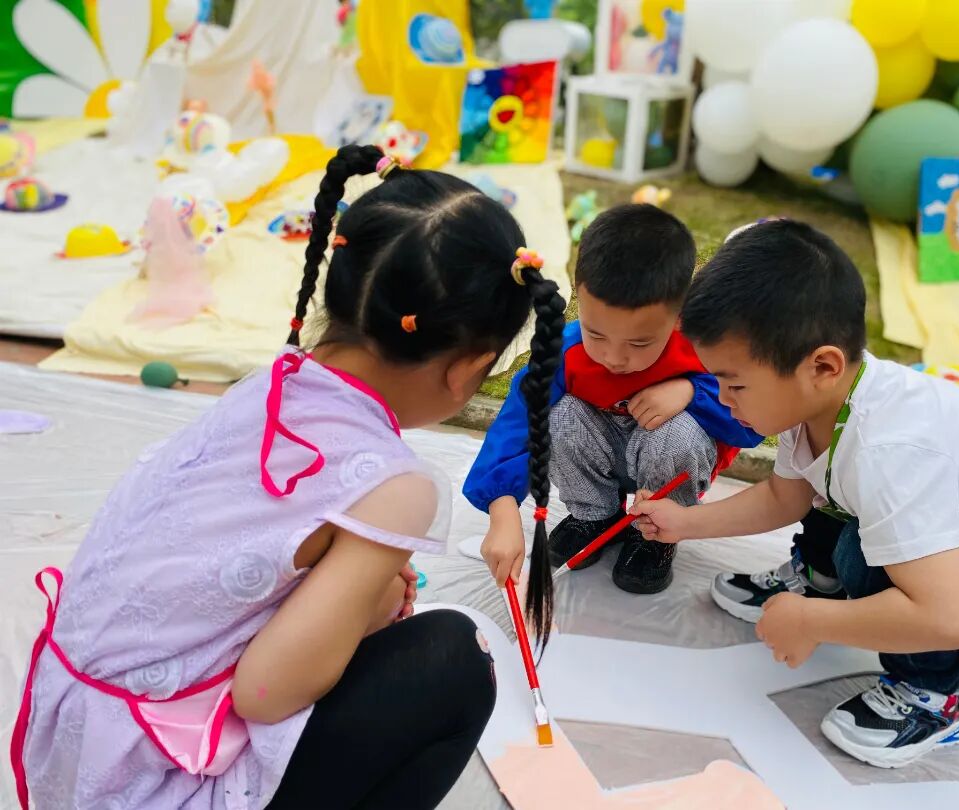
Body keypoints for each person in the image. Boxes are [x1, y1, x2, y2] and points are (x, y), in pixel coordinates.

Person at [10, 144, 566, 810]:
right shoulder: (396, 487)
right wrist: (368, 606)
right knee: (456, 657)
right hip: (153, 777)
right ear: (466, 369)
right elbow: (266, 694)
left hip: (73, 743)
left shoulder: (269, 384)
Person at [632, 219, 959, 768]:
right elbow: (785, 497)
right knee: (839, 501)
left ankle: (941, 693)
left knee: (864, 554)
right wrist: (684, 522)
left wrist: (810, 623)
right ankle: (824, 584)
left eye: (736, 383)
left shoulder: (888, 449)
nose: (723, 399)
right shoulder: (818, 400)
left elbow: (950, 617)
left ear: (822, 365)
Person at [465, 204, 760, 595]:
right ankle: (594, 514)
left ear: (678, 316)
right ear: (579, 299)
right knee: (559, 415)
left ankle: (655, 533)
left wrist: (693, 392)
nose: (614, 358)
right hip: (604, 457)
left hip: (666, 471)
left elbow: (753, 423)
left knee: (678, 435)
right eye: (596, 334)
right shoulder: (564, 352)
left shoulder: (705, 350)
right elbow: (517, 424)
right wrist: (503, 513)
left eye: (639, 343)